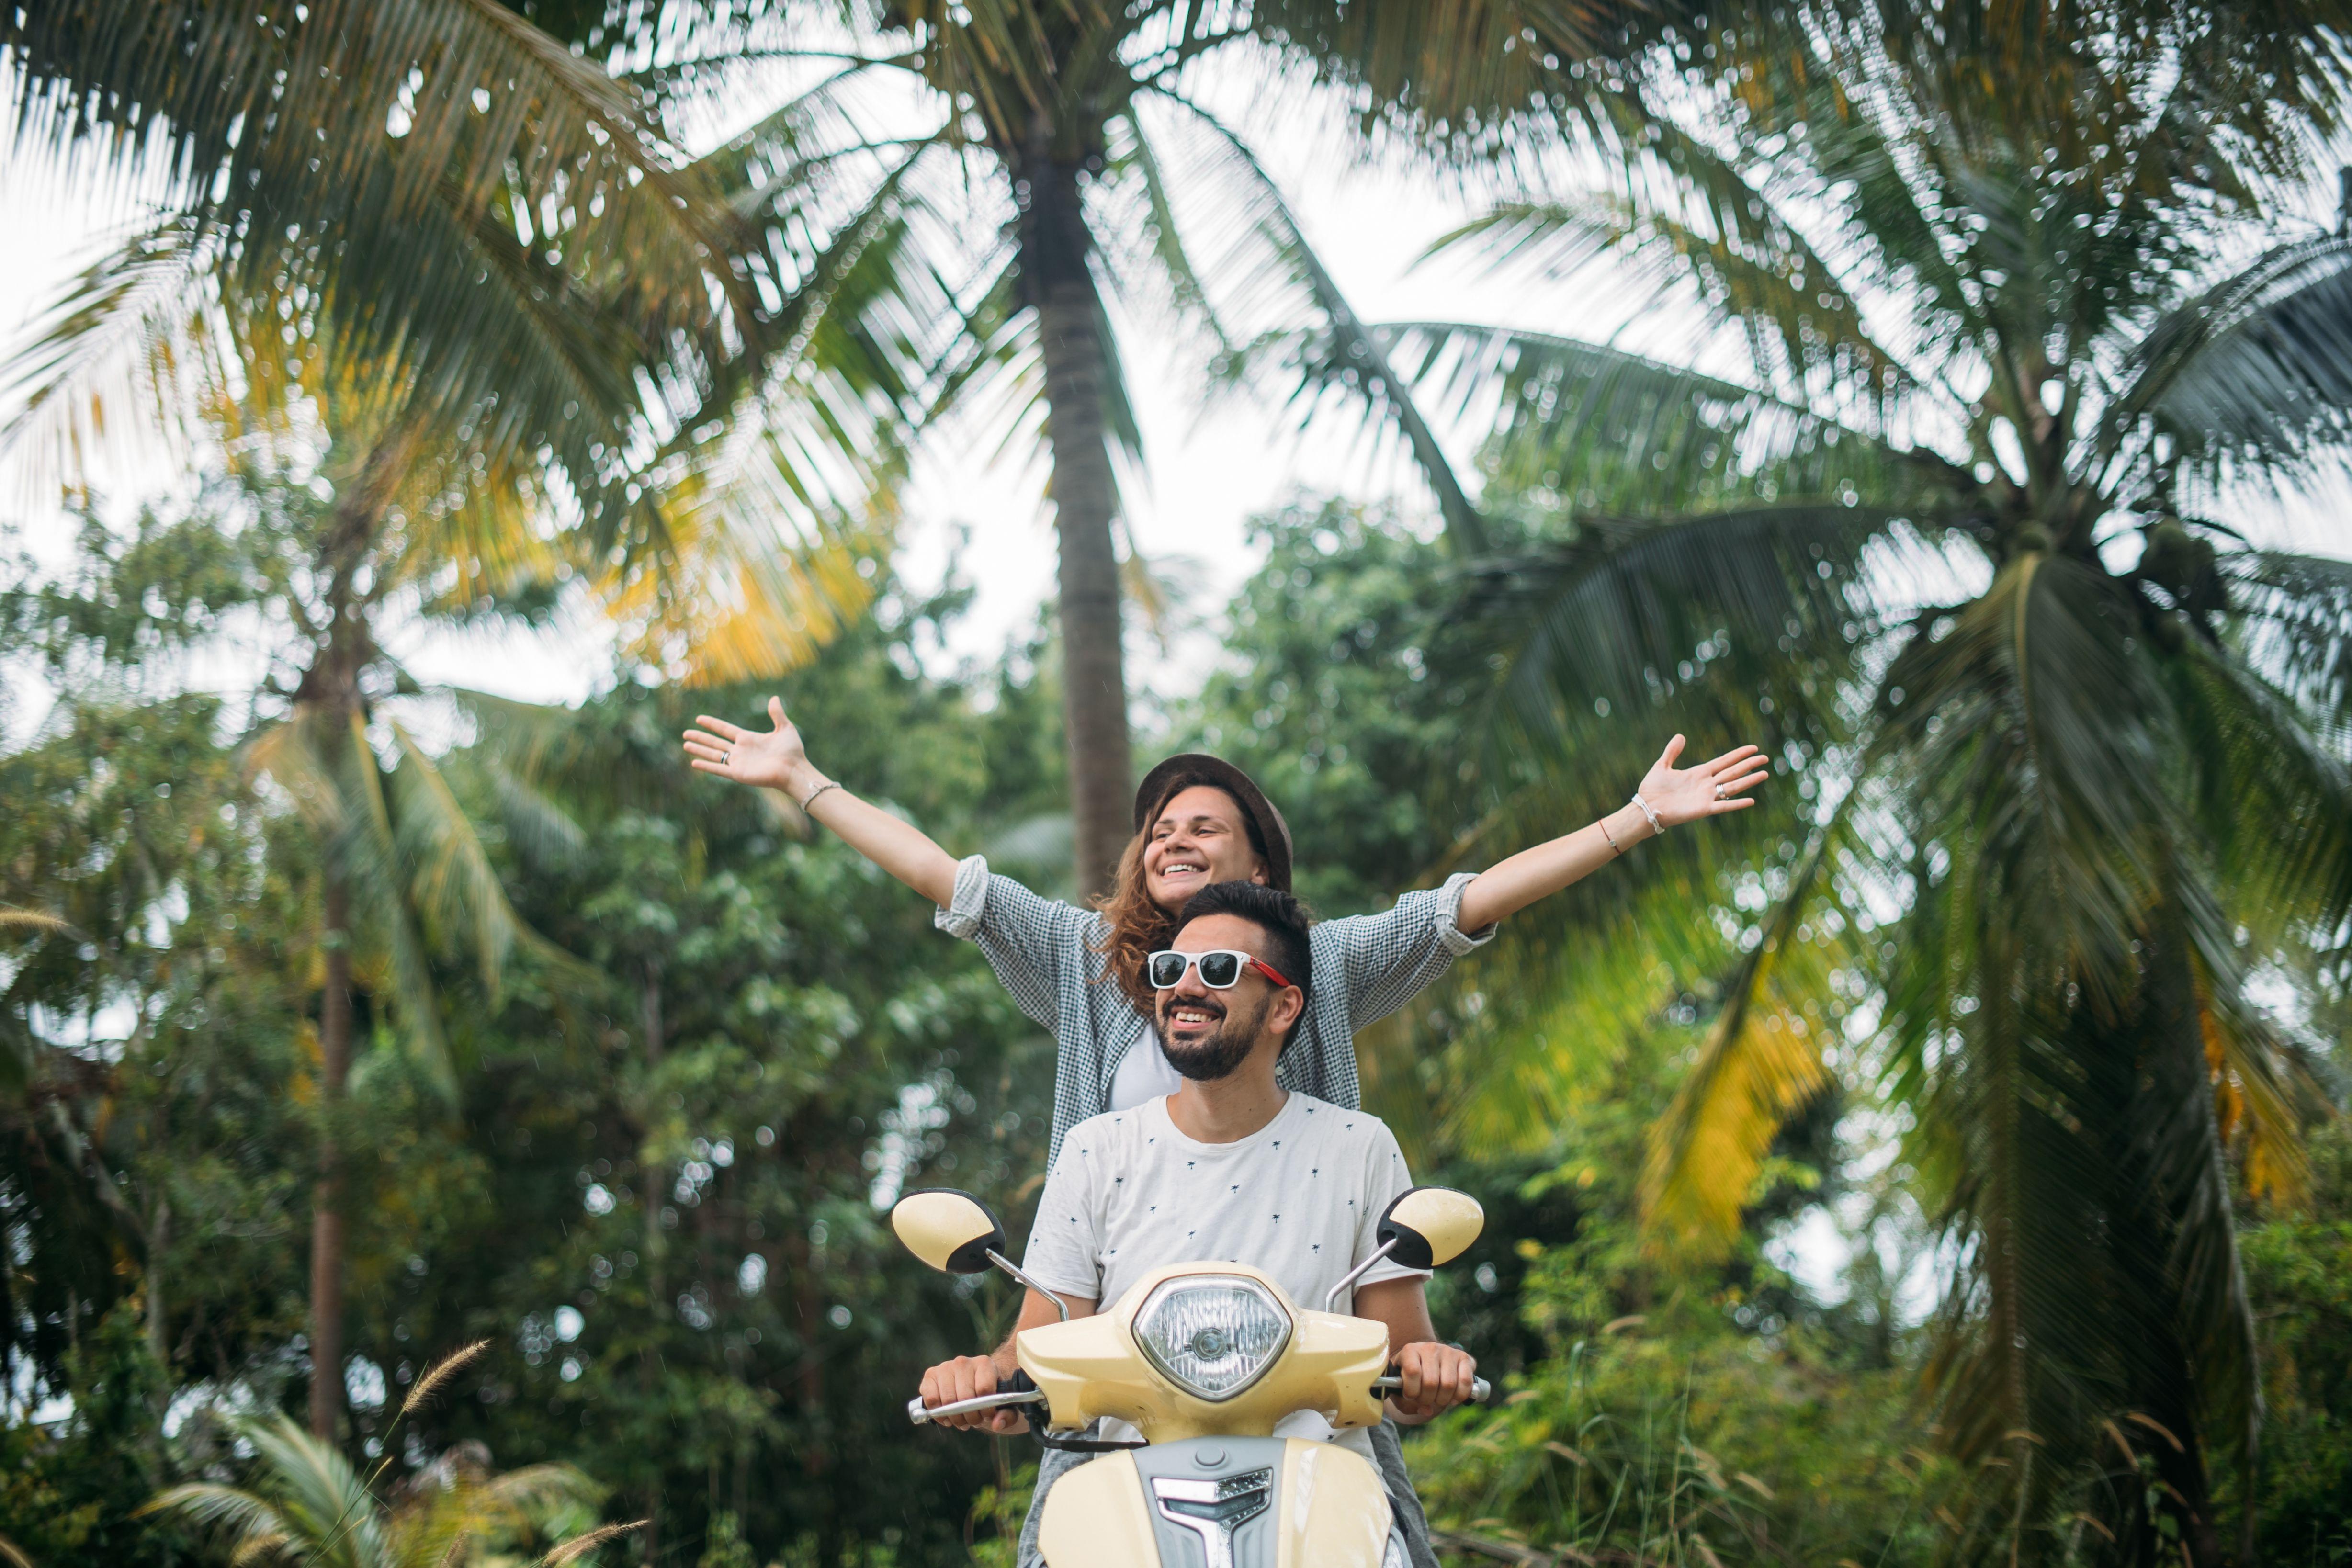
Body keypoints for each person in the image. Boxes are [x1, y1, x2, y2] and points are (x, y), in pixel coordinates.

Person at [680, 702, 1768, 1168]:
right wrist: (804, 780)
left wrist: (1635, 819)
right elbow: (940, 874)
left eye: (1204, 827)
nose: (1172, 838)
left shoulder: (1323, 963)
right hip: (1124, 1315)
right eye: (1159, 829)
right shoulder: (1081, 956)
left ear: (1256, 866)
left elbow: (1471, 902)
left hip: (1293, 1318)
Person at [915, 882, 1479, 1566]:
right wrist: (983, 1379)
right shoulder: (1098, 1149)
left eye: (1217, 971)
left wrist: (1429, 1367)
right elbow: (1039, 1350)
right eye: (1169, 970)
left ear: (1284, 1006)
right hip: (1120, 1490)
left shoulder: (1358, 1146)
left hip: (1320, 1492)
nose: (1184, 987)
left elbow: (1401, 1376)